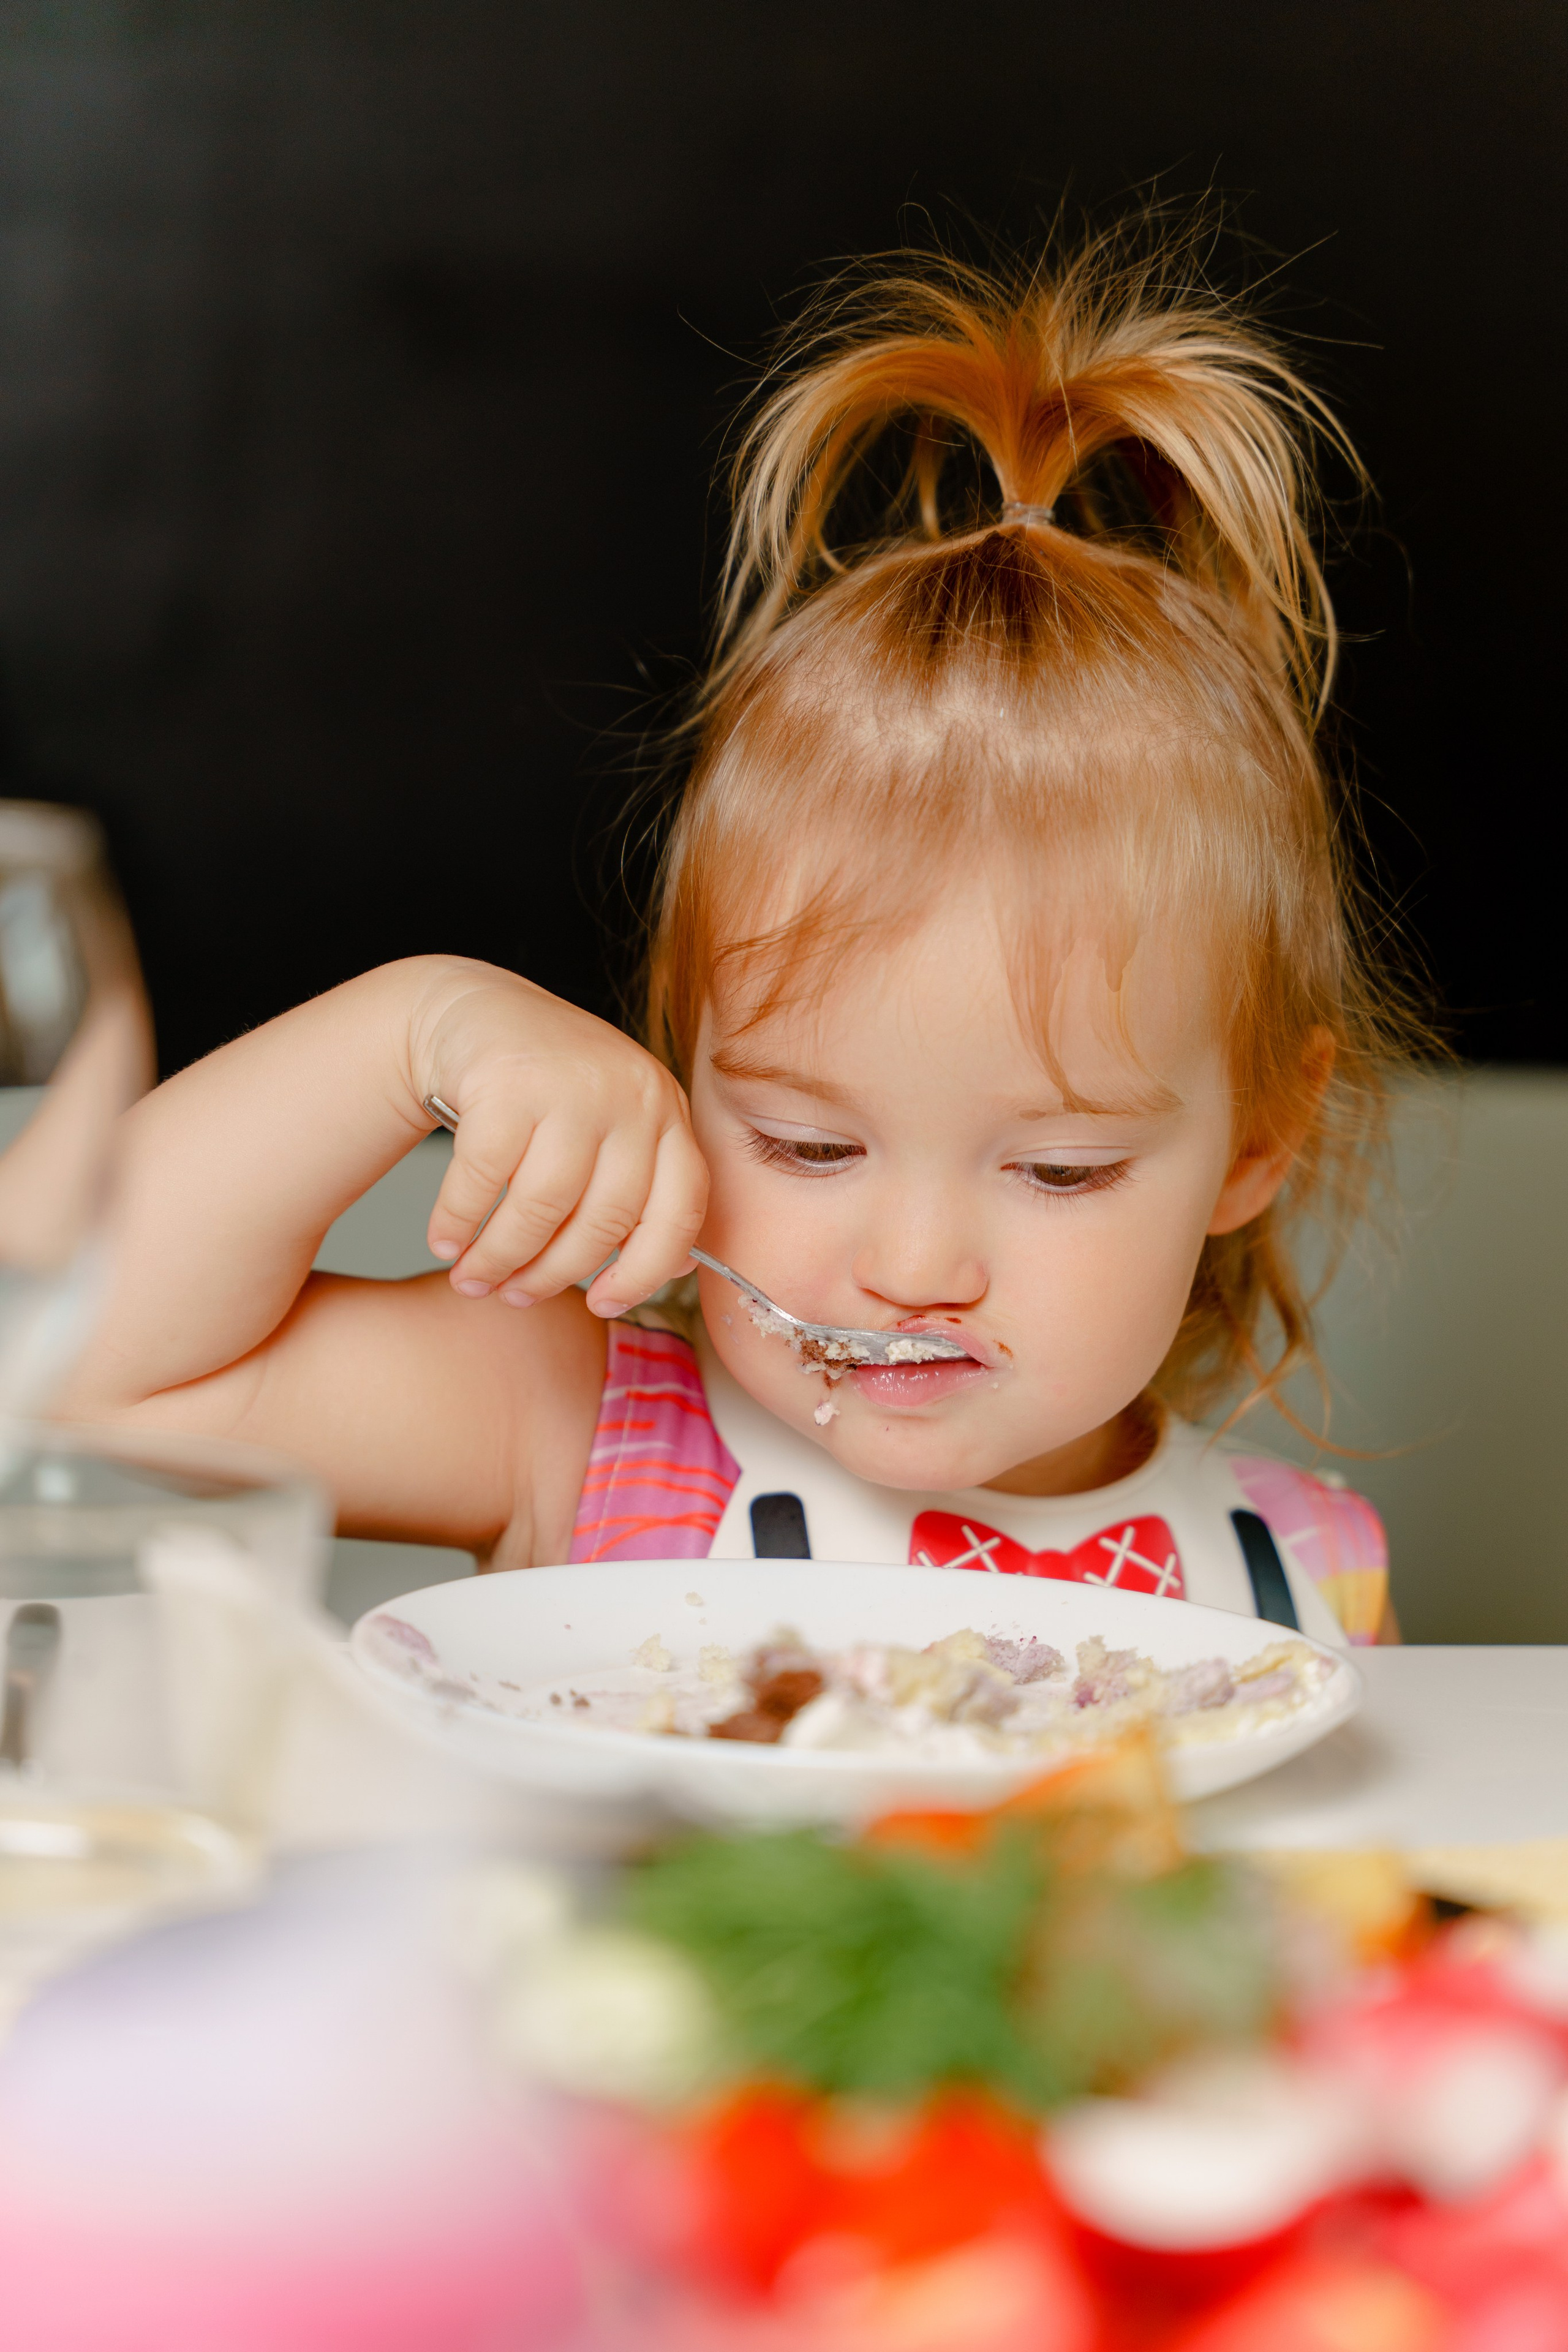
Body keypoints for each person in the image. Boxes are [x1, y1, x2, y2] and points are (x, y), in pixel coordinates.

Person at [66, 233, 1414, 1646]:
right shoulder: (569, 1427)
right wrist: (419, 1024)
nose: (910, 1263)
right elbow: (73, 1362)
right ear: (684, 1074)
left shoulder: (1309, 1576)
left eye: (1058, 1168)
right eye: (805, 1145)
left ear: (1258, 1138)